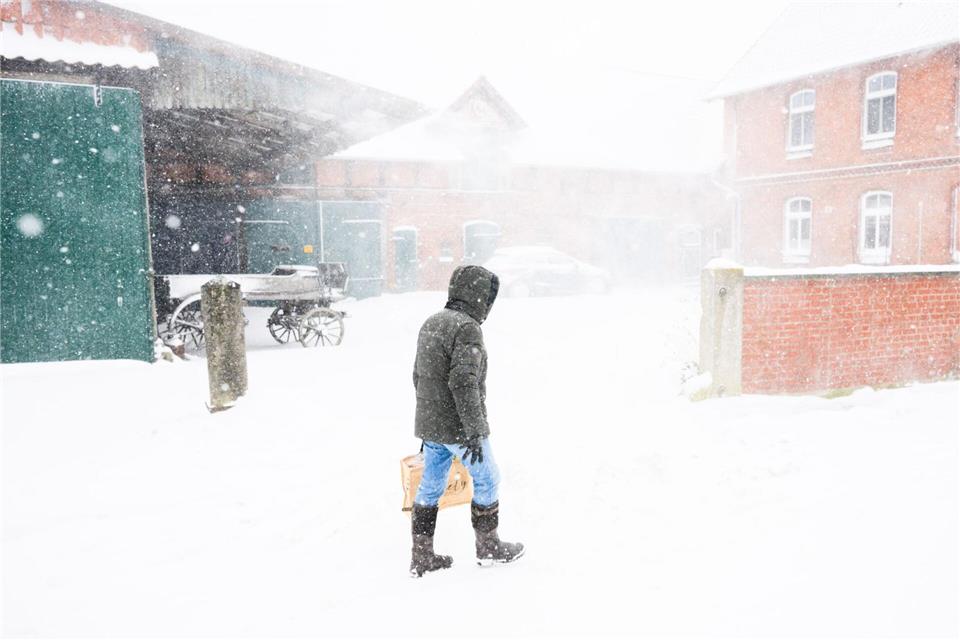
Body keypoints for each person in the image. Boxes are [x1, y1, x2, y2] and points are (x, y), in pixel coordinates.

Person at [409, 264, 525, 578]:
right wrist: (474, 430)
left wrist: (427, 425)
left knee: (430, 487)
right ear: (477, 296)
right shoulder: (467, 328)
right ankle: (488, 547)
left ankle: (422, 556)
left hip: (432, 423)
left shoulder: (431, 322)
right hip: (459, 426)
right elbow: (464, 382)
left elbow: (419, 376)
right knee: (489, 477)